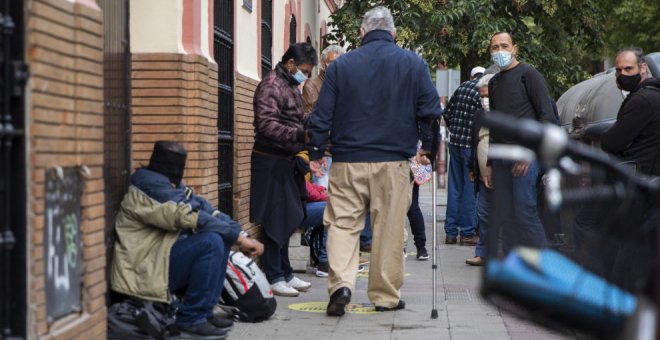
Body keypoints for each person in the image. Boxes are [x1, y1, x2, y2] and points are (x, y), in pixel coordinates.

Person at [307, 6, 442, 316]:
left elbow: (321, 114)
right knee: (389, 229)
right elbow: (431, 111)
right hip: (394, 163)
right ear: (393, 33)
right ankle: (385, 296)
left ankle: (341, 284)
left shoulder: (341, 66)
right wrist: (428, 150)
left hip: (348, 161)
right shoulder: (414, 64)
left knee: (342, 225)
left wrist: (316, 152)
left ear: (361, 33)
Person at [111, 141, 264, 339]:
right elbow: (186, 215)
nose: (177, 169)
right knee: (211, 242)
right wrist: (239, 239)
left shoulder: (171, 185)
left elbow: (208, 210)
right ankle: (191, 319)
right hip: (144, 268)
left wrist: (240, 234)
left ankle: (204, 313)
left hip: (160, 260)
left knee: (219, 237)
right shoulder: (148, 186)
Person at [251, 42, 317, 297]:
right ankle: (275, 275)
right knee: (273, 219)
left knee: (289, 216)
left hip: (286, 161)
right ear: (291, 64)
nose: (306, 76)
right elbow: (266, 125)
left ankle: (286, 272)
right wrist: (301, 134)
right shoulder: (271, 86)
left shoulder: (290, 85)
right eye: (305, 70)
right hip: (270, 161)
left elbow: (294, 119)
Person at [487, 32, 555, 253]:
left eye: (504, 46)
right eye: (495, 47)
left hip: (526, 157)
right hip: (501, 160)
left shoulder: (529, 74)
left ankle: (546, 266)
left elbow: (547, 118)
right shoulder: (494, 83)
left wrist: (529, 152)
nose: (499, 51)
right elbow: (496, 127)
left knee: (525, 211)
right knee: (506, 216)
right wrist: (489, 163)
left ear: (514, 48)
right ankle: (513, 267)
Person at [441, 66, 485, 246]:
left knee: (454, 188)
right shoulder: (483, 92)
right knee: (470, 189)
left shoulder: (462, 87)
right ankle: (467, 233)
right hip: (471, 147)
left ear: (471, 75)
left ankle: (451, 233)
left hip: (455, 145)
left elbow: (447, 114)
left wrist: (456, 132)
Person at [465, 73, 495, 266]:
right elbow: (473, 142)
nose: (484, 100)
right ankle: (482, 253)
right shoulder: (479, 116)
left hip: (501, 173)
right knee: (483, 213)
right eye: (481, 96)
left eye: (487, 96)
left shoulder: (504, 115)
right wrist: (472, 167)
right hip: (483, 175)